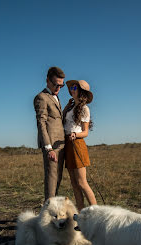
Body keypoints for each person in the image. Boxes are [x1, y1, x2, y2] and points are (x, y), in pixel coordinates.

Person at [62, 80, 97, 210]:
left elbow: (85, 132)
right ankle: (81, 215)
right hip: (68, 144)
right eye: (72, 87)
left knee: (82, 182)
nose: (72, 89)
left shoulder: (84, 108)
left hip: (77, 144)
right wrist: (66, 107)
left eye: (75, 87)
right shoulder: (71, 107)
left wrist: (75, 135)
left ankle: (96, 214)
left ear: (82, 92)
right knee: (74, 184)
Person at [34, 66, 66, 201]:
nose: (58, 88)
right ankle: (48, 214)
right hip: (51, 145)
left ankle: (54, 213)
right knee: (51, 179)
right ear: (47, 80)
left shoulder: (56, 97)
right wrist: (48, 148)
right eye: (55, 85)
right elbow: (41, 123)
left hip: (61, 144)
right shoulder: (41, 97)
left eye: (61, 86)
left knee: (58, 178)